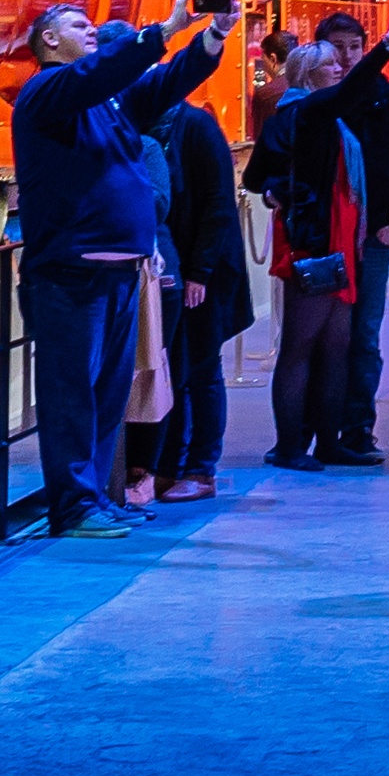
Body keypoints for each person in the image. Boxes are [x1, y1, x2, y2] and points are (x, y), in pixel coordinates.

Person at [12, 0, 235, 538]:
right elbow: (99, 71)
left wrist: (211, 37)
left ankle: (94, 498)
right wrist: (164, 29)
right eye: (78, 25)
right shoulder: (48, 91)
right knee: (72, 394)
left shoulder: (103, 101)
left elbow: (163, 85)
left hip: (117, 270)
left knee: (108, 392)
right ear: (49, 40)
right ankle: (71, 507)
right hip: (70, 271)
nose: (91, 30)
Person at [242, 8, 389, 470]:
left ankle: (330, 440)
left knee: (338, 345)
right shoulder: (306, 110)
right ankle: (289, 446)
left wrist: (278, 189)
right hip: (316, 244)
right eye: (330, 65)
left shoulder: (321, 116)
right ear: (309, 74)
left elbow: (261, 177)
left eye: (344, 61)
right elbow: (258, 176)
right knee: (301, 345)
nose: (341, 68)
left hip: (341, 242)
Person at [312, 7, 389, 462]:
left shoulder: (388, 98)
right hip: (321, 238)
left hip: (368, 239)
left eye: (353, 48)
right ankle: (315, 430)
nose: (346, 58)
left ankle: (357, 428)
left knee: (364, 335)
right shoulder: (312, 100)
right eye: (337, 48)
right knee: (317, 337)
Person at [143, 88, 251, 502]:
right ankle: (168, 466)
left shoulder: (198, 128)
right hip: (173, 267)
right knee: (173, 365)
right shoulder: (145, 125)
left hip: (204, 269)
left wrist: (200, 273)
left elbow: (218, 204)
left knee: (203, 365)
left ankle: (200, 469)